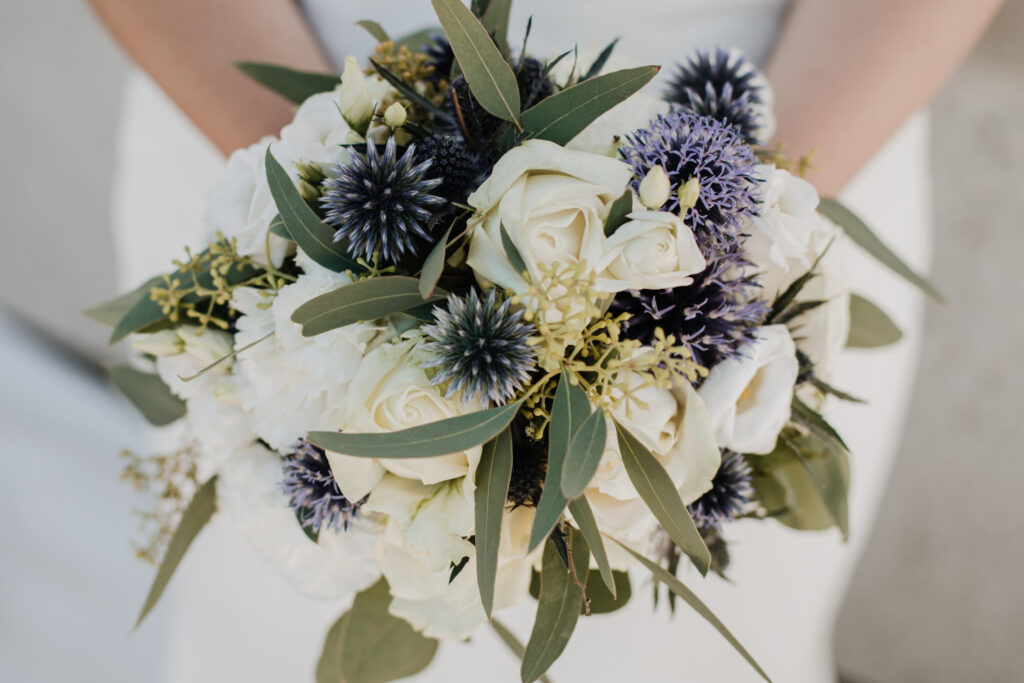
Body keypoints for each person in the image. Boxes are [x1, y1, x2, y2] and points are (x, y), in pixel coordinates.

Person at [86, 1, 1002, 681]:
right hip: (250, 108)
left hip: (809, 120)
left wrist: (727, 246)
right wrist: (327, 239)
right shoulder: (300, 202)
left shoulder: (750, 242)